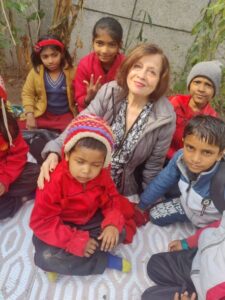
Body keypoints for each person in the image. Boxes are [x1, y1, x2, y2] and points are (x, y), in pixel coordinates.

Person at [38, 43, 176, 205]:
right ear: (128, 68)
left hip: (117, 187)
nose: (142, 75)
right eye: (137, 66)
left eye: (152, 72)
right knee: (47, 190)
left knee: (113, 225)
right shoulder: (110, 91)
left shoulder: (165, 117)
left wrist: (148, 204)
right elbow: (81, 122)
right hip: (85, 171)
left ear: (160, 79)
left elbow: (153, 168)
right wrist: (55, 151)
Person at [30, 114, 136, 277]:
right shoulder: (52, 181)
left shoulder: (102, 175)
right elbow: (42, 222)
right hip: (60, 225)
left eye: (95, 165)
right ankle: (102, 260)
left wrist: (111, 224)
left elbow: (112, 200)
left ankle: (67, 263)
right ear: (67, 155)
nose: (86, 171)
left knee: (119, 232)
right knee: (45, 257)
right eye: (80, 161)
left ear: (103, 163)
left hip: (89, 220)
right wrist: (74, 241)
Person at [137, 115, 225, 228]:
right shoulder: (180, 157)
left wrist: (188, 242)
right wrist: (142, 205)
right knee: (153, 215)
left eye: (207, 152)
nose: (195, 159)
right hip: (186, 207)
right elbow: (163, 180)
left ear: (219, 155)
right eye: (190, 148)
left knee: (202, 244)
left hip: (214, 221)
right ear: (183, 142)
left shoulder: (222, 180)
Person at [141, 210, 225, 300]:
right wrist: (187, 243)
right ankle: (184, 287)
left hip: (205, 294)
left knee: (149, 297)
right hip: (200, 260)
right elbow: (218, 227)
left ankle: (188, 290)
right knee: (154, 264)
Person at [18, 34, 77, 132]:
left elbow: (79, 95)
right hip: (43, 114)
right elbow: (27, 94)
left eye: (54, 55)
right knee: (17, 128)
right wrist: (30, 115)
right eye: (45, 57)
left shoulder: (72, 71)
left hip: (64, 116)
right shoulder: (35, 72)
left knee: (73, 132)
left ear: (62, 53)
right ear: (39, 57)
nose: (50, 61)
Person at [0, 75, 40, 219]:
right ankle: (18, 199)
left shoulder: (8, 125)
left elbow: (18, 155)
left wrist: (4, 181)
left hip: (8, 174)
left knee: (37, 173)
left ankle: (14, 197)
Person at [167, 60, 221, 161]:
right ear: (189, 85)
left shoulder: (211, 119)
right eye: (197, 82)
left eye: (208, 85)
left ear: (214, 91)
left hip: (186, 164)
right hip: (159, 156)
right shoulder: (173, 103)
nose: (201, 89)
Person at [74, 17, 125, 112]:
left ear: (120, 45)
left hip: (115, 113)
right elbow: (79, 100)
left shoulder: (126, 65)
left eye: (112, 45)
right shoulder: (85, 65)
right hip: (90, 111)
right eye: (100, 43)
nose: (105, 51)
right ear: (93, 42)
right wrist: (89, 97)